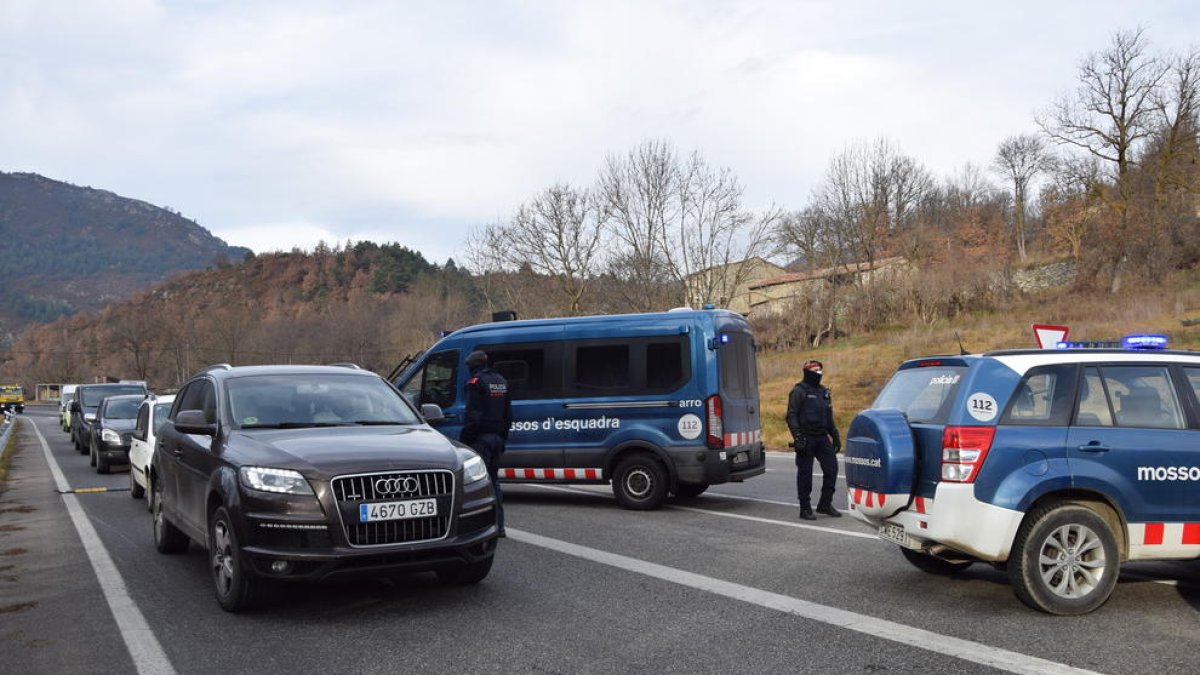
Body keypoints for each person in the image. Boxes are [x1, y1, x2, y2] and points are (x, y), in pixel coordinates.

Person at [460, 350, 512, 537]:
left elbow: (473, 416)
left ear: (473, 365)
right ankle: (500, 526)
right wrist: (503, 438)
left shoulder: (475, 383)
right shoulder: (501, 381)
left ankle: (482, 527)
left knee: (479, 485)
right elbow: (508, 415)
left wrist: (465, 439)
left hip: (481, 440)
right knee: (495, 482)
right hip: (497, 439)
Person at [786, 359, 842, 521]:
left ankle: (825, 504)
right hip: (805, 437)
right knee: (805, 474)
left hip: (822, 437)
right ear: (808, 372)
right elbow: (791, 415)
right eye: (816, 371)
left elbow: (829, 416)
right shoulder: (799, 391)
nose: (819, 374)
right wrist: (797, 436)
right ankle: (805, 508)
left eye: (820, 371)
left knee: (832, 469)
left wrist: (835, 436)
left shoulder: (824, 392)